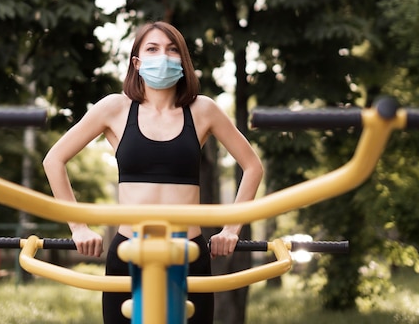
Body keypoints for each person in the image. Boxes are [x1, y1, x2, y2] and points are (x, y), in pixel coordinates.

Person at [43, 21, 264, 324]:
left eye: (173, 50)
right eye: (153, 49)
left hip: (188, 255)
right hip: (129, 253)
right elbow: (54, 159)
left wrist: (231, 229)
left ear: (183, 62)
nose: (163, 56)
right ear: (137, 62)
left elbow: (252, 166)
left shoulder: (204, 110)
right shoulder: (115, 108)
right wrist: (78, 227)